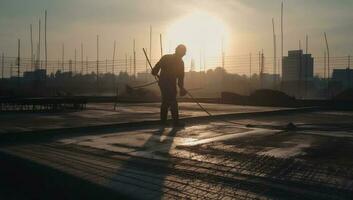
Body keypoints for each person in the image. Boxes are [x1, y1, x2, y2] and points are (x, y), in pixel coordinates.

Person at [152, 44, 187, 127]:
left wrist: (155, 73)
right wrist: (181, 88)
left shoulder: (166, 57)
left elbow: (154, 70)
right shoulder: (179, 62)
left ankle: (163, 121)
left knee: (166, 101)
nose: (183, 55)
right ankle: (175, 122)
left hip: (165, 83)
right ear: (180, 52)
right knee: (173, 101)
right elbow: (180, 78)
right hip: (167, 83)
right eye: (183, 53)